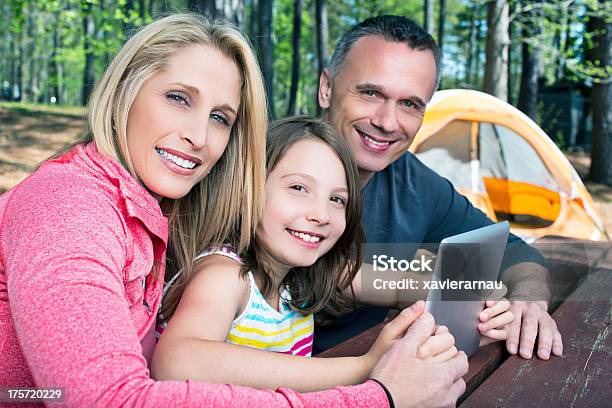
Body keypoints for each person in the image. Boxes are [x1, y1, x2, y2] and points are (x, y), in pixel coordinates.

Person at [0, 14, 468, 407]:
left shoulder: (166, 209)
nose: (199, 137)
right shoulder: (69, 206)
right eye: (178, 98)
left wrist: (481, 293)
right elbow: (109, 399)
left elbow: (367, 275)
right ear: (124, 89)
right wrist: (376, 391)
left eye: (221, 117)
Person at [152, 117, 509, 391]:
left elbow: (399, 286)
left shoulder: (307, 272)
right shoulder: (225, 275)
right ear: (248, 189)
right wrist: (367, 365)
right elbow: (176, 362)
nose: (321, 214)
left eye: (337, 199)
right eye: (298, 188)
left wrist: (475, 297)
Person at [314, 15, 563, 361]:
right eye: (371, 93)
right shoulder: (266, 161)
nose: (387, 122)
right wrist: (431, 289)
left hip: (371, 369)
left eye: (410, 104)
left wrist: (528, 300)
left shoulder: (415, 184)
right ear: (327, 88)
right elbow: (310, 273)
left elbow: (514, 249)